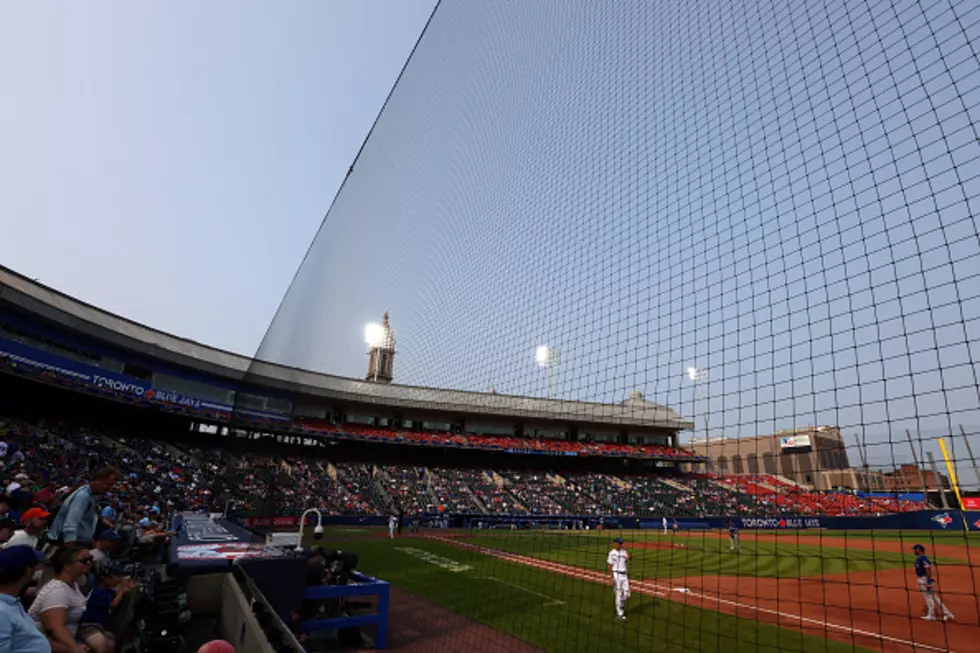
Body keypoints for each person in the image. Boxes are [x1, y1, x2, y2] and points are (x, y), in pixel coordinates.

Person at [28, 548, 94, 653]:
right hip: (45, 643)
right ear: (67, 566)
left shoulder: (73, 584)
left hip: (69, 635)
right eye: (84, 560)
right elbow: (55, 627)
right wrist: (74, 647)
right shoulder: (57, 591)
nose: (89, 562)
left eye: (91, 559)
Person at [47, 467, 119, 547]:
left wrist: (90, 541)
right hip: (66, 544)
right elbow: (70, 527)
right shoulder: (83, 496)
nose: (110, 488)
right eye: (109, 484)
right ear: (99, 479)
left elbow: (83, 524)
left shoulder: (91, 495)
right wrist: (73, 552)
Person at [0, 545, 49, 653]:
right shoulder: (2, 611)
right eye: (35, 564)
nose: (38, 568)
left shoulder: (12, 602)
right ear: (27, 570)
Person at [78, 565, 137, 653]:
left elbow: (118, 594)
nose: (119, 579)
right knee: (103, 646)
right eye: (116, 576)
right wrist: (121, 590)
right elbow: (113, 604)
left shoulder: (107, 590)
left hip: (99, 626)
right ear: (105, 578)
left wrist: (129, 588)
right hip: (88, 626)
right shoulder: (97, 592)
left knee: (112, 644)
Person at [912, 544, 954, 621]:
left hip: (924, 579)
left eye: (914, 549)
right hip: (922, 579)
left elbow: (928, 569)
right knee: (933, 597)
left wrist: (928, 581)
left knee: (928, 597)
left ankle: (931, 615)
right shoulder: (919, 558)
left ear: (918, 550)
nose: (913, 551)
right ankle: (948, 614)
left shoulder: (923, 558)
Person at [606, 537, 630, 621]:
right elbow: (609, 565)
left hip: (624, 575)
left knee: (627, 594)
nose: (621, 544)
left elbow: (630, 558)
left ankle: (621, 602)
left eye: (621, 543)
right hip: (616, 575)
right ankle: (620, 613)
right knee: (618, 594)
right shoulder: (611, 553)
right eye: (619, 543)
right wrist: (611, 578)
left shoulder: (623, 552)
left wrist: (625, 549)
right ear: (615, 543)